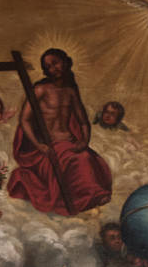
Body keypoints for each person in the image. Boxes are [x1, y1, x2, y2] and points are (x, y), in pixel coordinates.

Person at [6, 47, 113, 216]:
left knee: (93, 160)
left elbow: (83, 122)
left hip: (68, 142)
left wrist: (84, 141)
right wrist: (39, 145)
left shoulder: (70, 91)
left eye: (55, 63)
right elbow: (24, 121)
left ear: (65, 62)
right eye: (48, 67)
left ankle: (88, 197)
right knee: (80, 159)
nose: (53, 69)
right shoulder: (41, 89)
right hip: (49, 145)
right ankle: (90, 195)